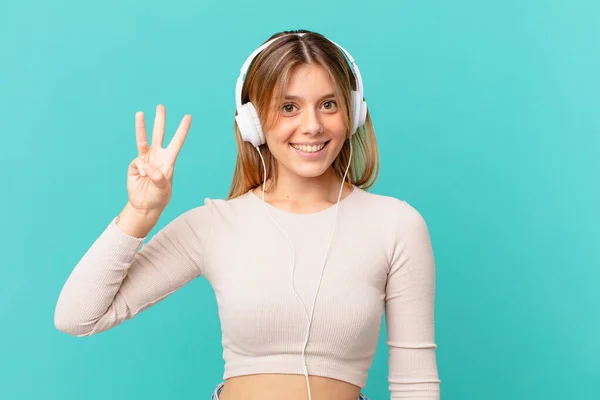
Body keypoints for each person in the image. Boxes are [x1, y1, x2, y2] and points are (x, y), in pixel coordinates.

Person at [54, 29, 441, 400]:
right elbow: (77, 316)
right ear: (253, 123)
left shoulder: (396, 225)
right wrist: (140, 213)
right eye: (289, 107)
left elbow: (415, 383)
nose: (312, 126)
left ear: (353, 113)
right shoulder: (214, 226)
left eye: (329, 104)